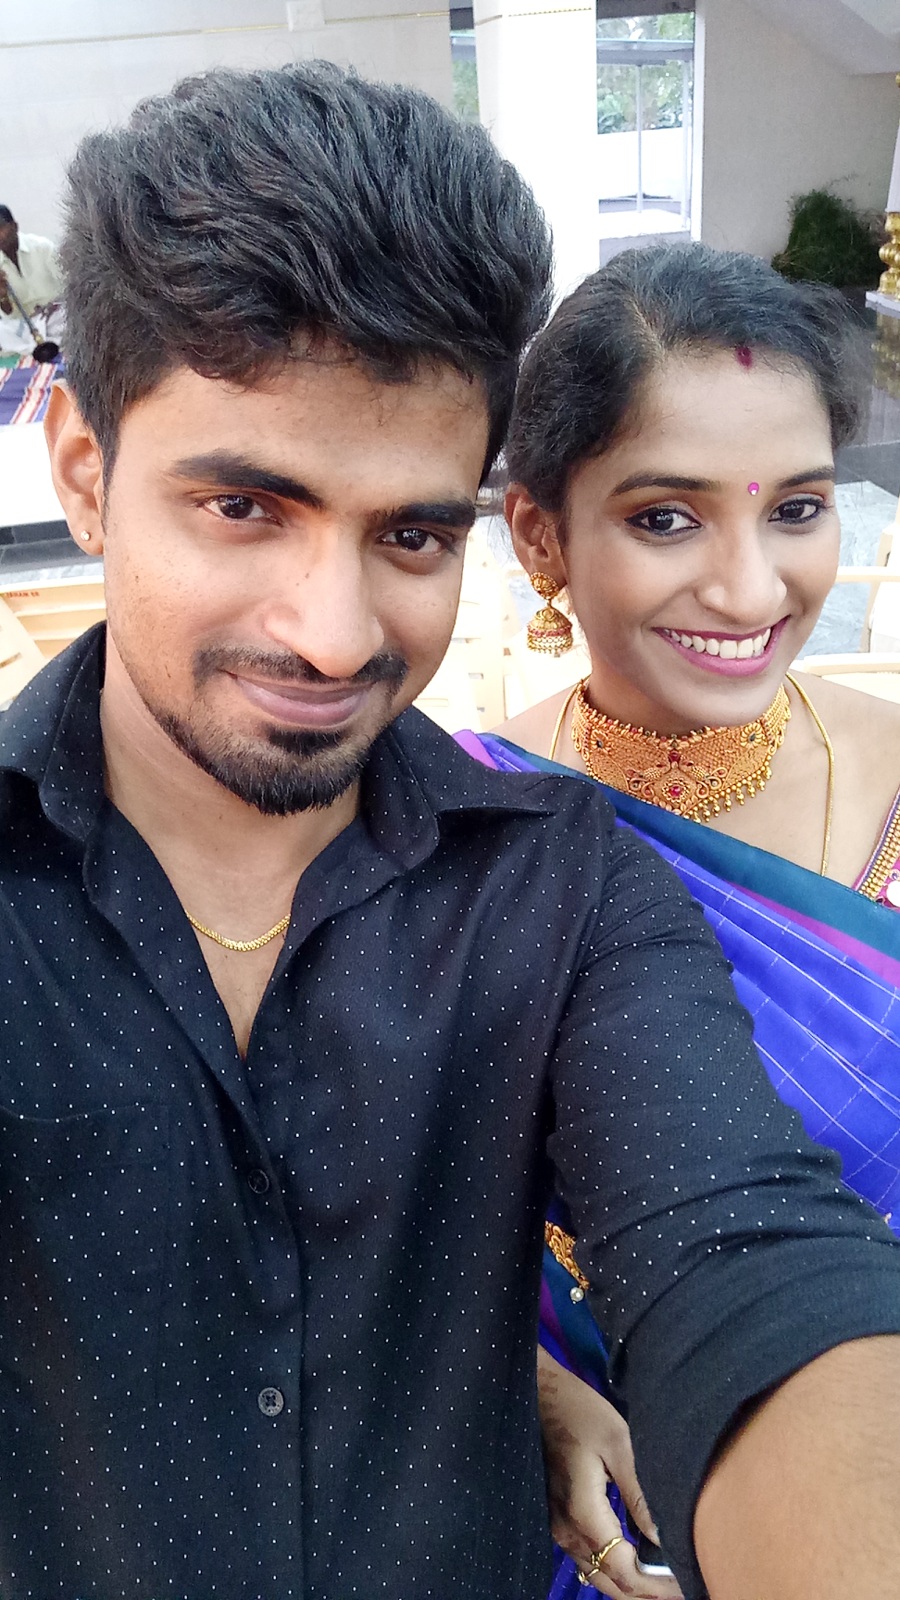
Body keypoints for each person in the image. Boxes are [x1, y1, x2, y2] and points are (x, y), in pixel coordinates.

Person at [3, 67, 900, 1600]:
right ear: (84, 470)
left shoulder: (562, 880)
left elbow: (742, 1244)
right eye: (245, 508)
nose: (335, 634)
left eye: (412, 534)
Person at [459, 242, 900, 1597]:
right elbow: (378, 1206)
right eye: (667, 519)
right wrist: (532, 1393)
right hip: (570, 1512)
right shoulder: (459, 823)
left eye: (797, 509)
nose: (754, 591)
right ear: (540, 536)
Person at [0, 204, 64, 351]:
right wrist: (2, 295)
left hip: (54, 315)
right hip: (24, 325)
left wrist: (50, 308)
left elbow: (69, 287)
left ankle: (34, 349)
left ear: (14, 226)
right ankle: (38, 347)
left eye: (1, 228)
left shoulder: (43, 248)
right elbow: (8, 314)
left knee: (67, 319)